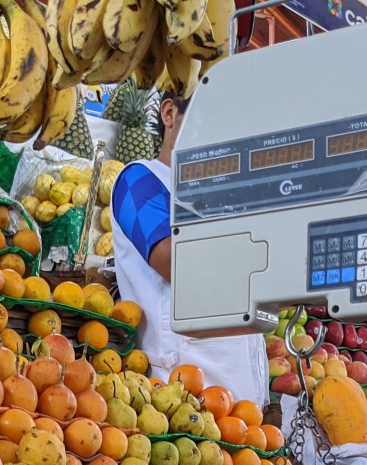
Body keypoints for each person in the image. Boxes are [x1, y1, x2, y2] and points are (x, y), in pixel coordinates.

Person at [109, 90, 268, 407]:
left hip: (246, 405)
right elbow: (177, 264)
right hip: (183, 402)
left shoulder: (228, 197)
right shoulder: (139, 180)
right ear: (169, 113)